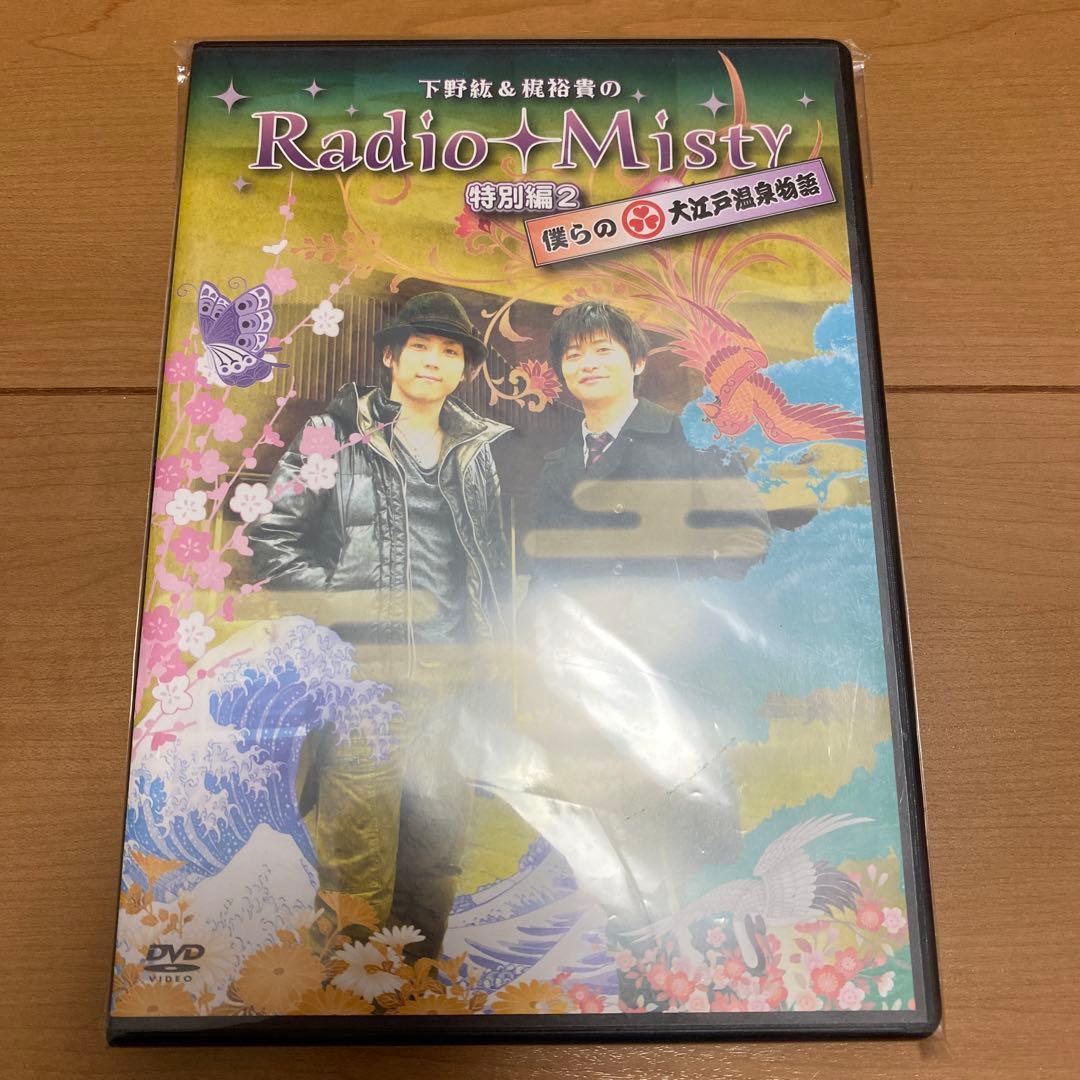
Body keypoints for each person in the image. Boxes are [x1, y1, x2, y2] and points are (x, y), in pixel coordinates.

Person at [248, 291, 511, 961]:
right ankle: (354, 997)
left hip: (453, 681)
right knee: (357, 859)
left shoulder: (475, 449)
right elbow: (270, 536)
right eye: (420, 346)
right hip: (366, 681)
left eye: (450, 351)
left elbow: (488, 563)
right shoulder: (334, 433)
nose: (434, 361)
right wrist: (346, 609)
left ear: (463, 369)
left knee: (436, 853)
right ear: (391, 356)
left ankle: (416, 987)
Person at [513, 300, 772, 935]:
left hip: (664, 662)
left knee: (672, 812)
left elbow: (748, 535)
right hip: (578, 669)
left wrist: (674, 592)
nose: (586, 363)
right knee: (597, 817)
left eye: (603, 349)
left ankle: (689, 944)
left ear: (636, 361)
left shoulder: (686, 437)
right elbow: (545, 565)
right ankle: (614, 944)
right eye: (573, 353)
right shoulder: (556, 462)